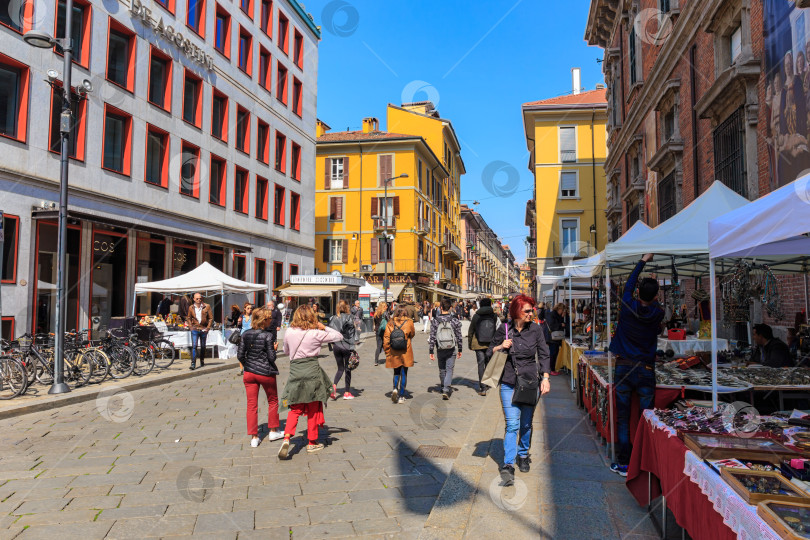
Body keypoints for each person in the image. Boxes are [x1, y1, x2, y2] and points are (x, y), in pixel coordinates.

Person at [608, 253, 665, 476]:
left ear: (638, 292)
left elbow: (629, 284)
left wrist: (642, 261)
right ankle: (645, 463)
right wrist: (652, 288)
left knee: (623, 417)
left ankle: (624, 463)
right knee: (646, 418)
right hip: (646, 369)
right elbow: (653, 301)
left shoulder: (627, 305)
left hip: (623, 366)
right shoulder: (657, 313)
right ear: (655, 296)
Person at [488, 294, 551, 486]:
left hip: (531, 382)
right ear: (517, 311)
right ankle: (508, 465)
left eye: (532, 310)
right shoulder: (504, 328)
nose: (531, 313)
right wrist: (501, 346)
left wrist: (545, 378)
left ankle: (523, 454)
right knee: (512, 424)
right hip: (508, 382)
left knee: (525, 424)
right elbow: (490, 350)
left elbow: (544, 354)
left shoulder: (536, 330)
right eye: (527, 310)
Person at [278, 306, 343, 459]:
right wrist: (324, 327)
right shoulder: (316, 333)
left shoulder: (289, 332)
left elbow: (286, 351)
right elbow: (338, 336)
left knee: (294, 407)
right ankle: (312, 442)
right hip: (312, 372)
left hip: (295, 372)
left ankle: (287, 438)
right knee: (313, 408)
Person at [238, 307, 283, 448]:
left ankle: (254, 437)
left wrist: (248, 365)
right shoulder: (268, 336)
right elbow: (271, 358)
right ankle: (273, 430)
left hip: (249, 373)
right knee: (273, 400)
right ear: (264, 320)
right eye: (269, 318)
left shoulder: (245, 334)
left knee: (251, 405)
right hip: (266, 372)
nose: (271, 320)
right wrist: (274, 350)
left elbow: (240, 355)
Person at [429, 298, 463, 400]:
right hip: (451, 348)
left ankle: (443, 386)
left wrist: (431, 351)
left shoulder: (435, 320)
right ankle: (446, 389)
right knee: (449, 369)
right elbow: (459, 336)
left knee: (442, 369)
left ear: (441, 308)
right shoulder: (454, 320)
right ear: (450, 308)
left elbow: (432, 336)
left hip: (440, 348)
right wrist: (460, 348)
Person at [468, 298, 500, 396]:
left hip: (478, 343)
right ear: (490, 305)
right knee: (488, 364)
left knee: (480, 364)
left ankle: (482, 388)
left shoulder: (476, 316)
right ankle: (487, 383)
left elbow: (471, 330)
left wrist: (470, 343)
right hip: (491, 343)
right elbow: (498, 329)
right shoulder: (494, 316)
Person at [384, 307, 416, 404]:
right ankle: (401, 396)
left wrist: (387, 351)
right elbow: (413, 334)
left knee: (396, 371)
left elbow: (386, 337)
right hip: (406, 350)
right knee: (404, 373)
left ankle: (394, 389)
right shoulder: (409, 322)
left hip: (394, 350)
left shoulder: (390, 322)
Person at [329, 300, 357, 400]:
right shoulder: (349, 317)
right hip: (346, 346)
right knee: (347, 369)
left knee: (340, 368)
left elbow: (329, 332)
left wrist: (331, 345)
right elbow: (351, 334)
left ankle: (334, 386)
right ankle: (346, 392)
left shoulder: (333, 318)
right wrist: (352, 347)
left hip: (336, 346)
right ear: (346, 308)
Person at [187, 293, 214, 370]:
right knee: (194, 346)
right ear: (194, 299)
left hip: (203, 329)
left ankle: (202, 360)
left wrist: (208, 328)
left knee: (203, 346)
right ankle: (193, 363)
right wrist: (191, 327)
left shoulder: (206, 306)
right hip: (195, 329)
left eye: (200, 298)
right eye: (197, 298)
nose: (199, 300)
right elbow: (188, 317)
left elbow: (210, 318)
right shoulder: (191, 307)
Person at [547, 303, 567, 376]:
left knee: (554, 354)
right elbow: (552, 325)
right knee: (553, 354)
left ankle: (552, 369)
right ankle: (551, 369)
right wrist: (560, 324)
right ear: (559, 309)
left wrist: (562, 317)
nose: (562, 312)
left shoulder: (556, 315)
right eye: (562, 310)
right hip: (553, 338)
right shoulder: (553, 315)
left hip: (555, 338)